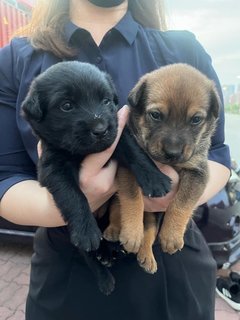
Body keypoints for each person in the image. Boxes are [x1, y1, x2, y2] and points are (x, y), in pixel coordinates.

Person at [0, 0, 231, 319]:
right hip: (72, 265)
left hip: (171, 270)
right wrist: (81, 201)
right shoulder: (14, 59)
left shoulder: (182, 49)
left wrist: (169, 198)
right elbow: (5, 178)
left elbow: (218, 154)